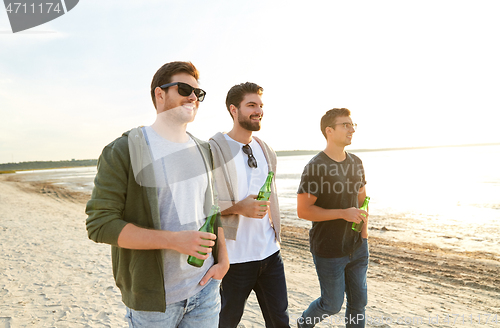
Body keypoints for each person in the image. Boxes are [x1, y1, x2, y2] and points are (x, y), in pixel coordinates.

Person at [85, 61, 229, 328]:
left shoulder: (204, 149)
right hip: (153, 302)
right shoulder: (124, 149)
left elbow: (212, 209)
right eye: (184, 88)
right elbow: (100, 224)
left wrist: (223, 261)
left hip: (205, 290)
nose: (193, 97)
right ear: (159, 94)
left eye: (198, 93)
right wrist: (175, 241)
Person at [209, 82, 290, 328]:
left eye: (261, 105)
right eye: (251, 105)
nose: (259, 111)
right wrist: (237, 207)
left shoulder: (265, 150)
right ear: (233, 109)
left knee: (280, 322)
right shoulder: (213, 149)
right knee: (225, 323)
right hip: (234, 259)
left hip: (270, 254)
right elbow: (200, 204)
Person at [296, 108, 369, 328]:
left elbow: (363, 199)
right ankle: (303, 324)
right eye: (345, 125)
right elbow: (303, 210)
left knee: (359, 303)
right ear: (329, 131)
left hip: (357, 247)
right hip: (328, 250)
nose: (352, 129)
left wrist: (364, 234)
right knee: (332, 304)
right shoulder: (315, 167)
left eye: (352, 124)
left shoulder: (356, 162)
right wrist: (342, 214)